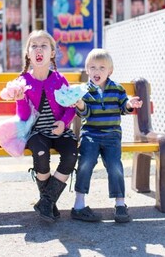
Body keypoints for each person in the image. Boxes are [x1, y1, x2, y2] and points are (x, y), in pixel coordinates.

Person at [70, 48, 142, 223]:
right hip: (91, 134)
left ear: (110, 71)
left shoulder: (117, 89)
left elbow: (124, 107)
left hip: (111, 135)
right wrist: (79, 104)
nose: (97, 71)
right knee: (85, 163)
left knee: (115, 166)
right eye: (93, 67)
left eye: (102, 68)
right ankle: (79, 204)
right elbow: (85, 114)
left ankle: (120, 203)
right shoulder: (83, 91)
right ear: (87, 70)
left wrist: (130, 103)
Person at [13, 30, 78, 222]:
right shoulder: (22, 81)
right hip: (36, 132)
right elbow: (24, 116)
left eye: (44, 45)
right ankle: (48, 203)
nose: (38, 49)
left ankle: (46, 202)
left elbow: (71, 107)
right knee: (41, 155)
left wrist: (63, 123)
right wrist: (20, 100)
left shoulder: (59, 79)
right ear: (28, 53)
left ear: (52, 53)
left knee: (71, 154)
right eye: (34, 46)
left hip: (59, 130)